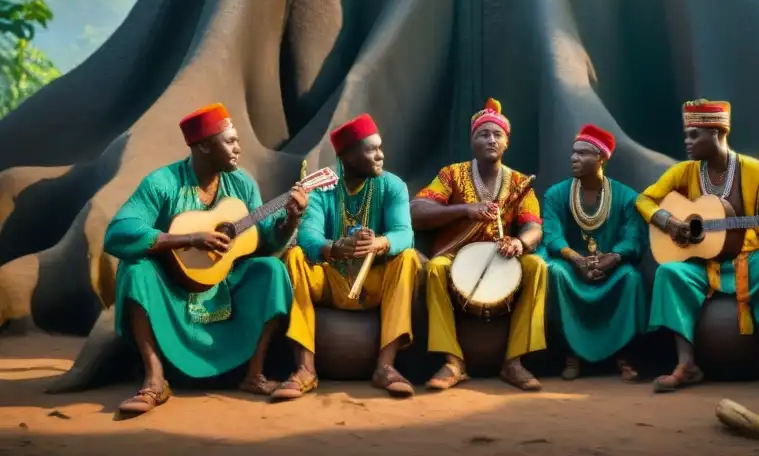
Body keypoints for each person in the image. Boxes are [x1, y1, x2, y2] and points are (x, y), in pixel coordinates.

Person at [103, 103, 307, 416]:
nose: (239, 148)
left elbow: (265, 240)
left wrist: (290, 220)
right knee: (134, 269)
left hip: (225, 284)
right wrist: (187, 239)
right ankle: (155, 380)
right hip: (173, 289)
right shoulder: (163, 183)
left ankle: (254, 374)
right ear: (203, 147)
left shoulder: (242, 183)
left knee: (272, 270)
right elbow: (118, 232)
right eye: (230, 142)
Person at [636, 100, 759, 397]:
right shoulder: (685, 172)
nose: (687, 141)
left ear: (718, 133)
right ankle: (686, 365)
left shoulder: (755, 172)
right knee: (669, 273)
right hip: (700, 265)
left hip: (748, 259)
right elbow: (644, 200)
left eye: (695, 135)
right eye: (687, 134)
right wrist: (669, 223)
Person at [273, 114, 422, 400]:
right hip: (330, 279)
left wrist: (378, 243)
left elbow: (405, 234)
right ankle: (305, 369)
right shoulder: (321, 188)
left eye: (380, 148)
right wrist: (334, 248)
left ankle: (386, 367)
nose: (380, 155)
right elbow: (308, 237)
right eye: (371, 150)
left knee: (408, 258)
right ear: (347, 156)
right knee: (293, 257)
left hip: (373, 282)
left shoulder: (392, 186)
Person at [410, 98, 547, 392]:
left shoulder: (521, 182)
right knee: (434, 268)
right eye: (483, 133)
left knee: (537, 266)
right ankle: (453, 362)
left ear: (507, 142)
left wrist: (520, 243)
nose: (490, 139)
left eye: (497, 134)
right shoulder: (451, 174)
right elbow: (417, 210)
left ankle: (514, 362)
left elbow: (534, 226)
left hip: (503, 257)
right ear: (472, 140)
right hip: (455, 257)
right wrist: (464, 210)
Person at [541, 124, 647, 382]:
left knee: (630, 278)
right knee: (554, 272)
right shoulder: (556, 194)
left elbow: (633, 239)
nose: (574, 158)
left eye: (583, 153)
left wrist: (611, 259)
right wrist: (576, 259)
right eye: (573, 152)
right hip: (570, 264)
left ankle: (623, 354)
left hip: (610, 265)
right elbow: (552, 235)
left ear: (601, 158)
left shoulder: (626, 197)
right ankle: (571, 354)